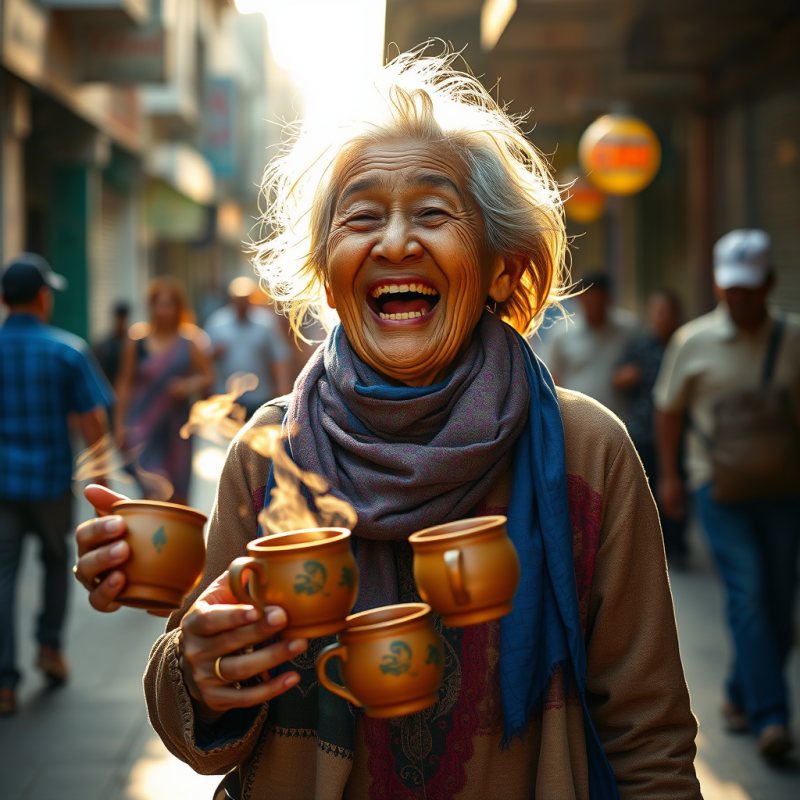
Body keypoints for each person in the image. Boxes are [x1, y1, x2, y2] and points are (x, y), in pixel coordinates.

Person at [73, 49, 700, 799]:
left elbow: (650, 737)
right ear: (329, 278)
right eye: (362, 217)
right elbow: (202, 740)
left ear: (502, 268)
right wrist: (202, 673)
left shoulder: (586, 451)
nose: (395, 242)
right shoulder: (270, 457)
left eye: (433, 213)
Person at [654, 229, 800, 759]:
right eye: (730, 289)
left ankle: (741, 692)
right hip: (716, 488)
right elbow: (668, 410)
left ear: (770, 284)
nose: (739, 299)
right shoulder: (692, 341)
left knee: (780, 605)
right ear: (718, 285)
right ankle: (771, 717)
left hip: (785, 491)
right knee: (751, 593)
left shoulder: (793, 339)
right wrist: (670, 478)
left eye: (749, 288)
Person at [0, 253, 113, 716]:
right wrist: (102, 484)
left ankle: (4, 684)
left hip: (2, 486)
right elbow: (92, 420)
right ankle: (49, 648)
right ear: (44, 298)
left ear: (5, 300)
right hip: (49, 483)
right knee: (54, 562)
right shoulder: (66, 351)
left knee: (3, 578)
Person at [114, 277, 214, 505]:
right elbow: (124, 382)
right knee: (152, 487)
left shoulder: (190, 341)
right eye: (159, 304)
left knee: (177, 493)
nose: (163, 310)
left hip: (176, 428)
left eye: (169, 304)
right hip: (143, 425)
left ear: (178, 308)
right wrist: (119, 424)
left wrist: (188, 385)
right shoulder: (136, 339)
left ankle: (175, 539)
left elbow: (208, 376)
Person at [613, 290, 688, 565]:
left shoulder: (685, 344)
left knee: (678, 484)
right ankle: (651, 546)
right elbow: (617, 377)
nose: (661, 317)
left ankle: (677, 546)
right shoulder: (640, 345)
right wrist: (627, 376)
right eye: (656, 311)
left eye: (667, 311)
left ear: (676, 315)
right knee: (648, 490)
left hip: (680, 432)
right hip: (643, 430)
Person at [546, 272, 638, 418]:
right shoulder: (562, 333)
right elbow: (552, 377)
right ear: (579, 299)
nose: (594, 307)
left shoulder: (630, 330)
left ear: (609, 299)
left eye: (599, 302)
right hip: (577, 421)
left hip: (622, 421)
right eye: (590, 302)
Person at [204, 277, 292, 417]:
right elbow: (202, 358)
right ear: (231, 299)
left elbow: (279, 356)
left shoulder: (265, 323)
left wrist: (282, 386)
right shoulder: (217, 323)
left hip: (259, 396)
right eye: (238, 300)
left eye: (245, 299)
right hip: (226, 397)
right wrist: (214, 353)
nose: (242, 304)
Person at [93, 300, 131, 386]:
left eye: (123, 318)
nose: (121, 322)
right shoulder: (104, 345)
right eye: (119, 318)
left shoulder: (131, 344)